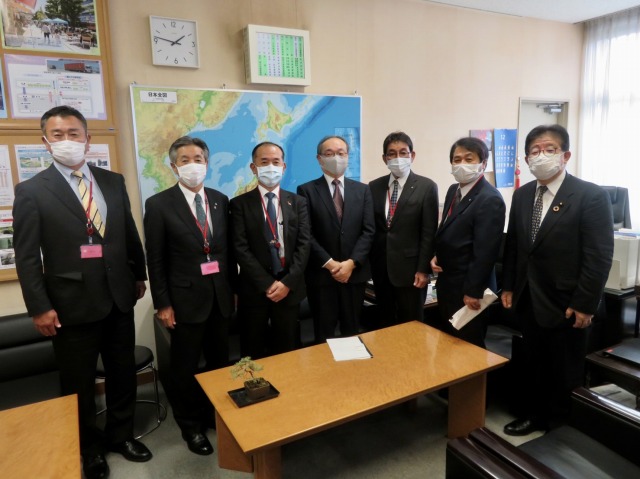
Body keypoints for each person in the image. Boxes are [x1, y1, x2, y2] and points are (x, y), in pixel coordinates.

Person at [13, 106, 151, 479]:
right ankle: (89, 450)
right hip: (70, 305)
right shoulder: (31, 191)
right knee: (79, 383)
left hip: (118, 297)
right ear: (45, 142)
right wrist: (39, 307)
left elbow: (128, 233)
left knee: (122, 373)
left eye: (74, 133)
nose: (67, 141)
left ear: (88, 139)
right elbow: (27, 257)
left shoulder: (112, 181)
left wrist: (139, 275)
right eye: (58, 135)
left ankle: (121, 436)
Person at [500, 124, 613, 435]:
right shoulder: (522, 195)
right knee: (534, 363)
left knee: (565, 369)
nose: (541, 156)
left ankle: (560, 431)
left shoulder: (590, 196)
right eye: (534, 151)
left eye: (549, 149)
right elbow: (514, 246)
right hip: (528, 296)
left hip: (567, 302)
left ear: (566, 155)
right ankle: (534, 416)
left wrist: (585, 304)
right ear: (526, 159)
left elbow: (598, 256)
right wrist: (508, 285)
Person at [144, 136, 235, 455]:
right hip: (184, 302)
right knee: (185, 368)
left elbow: (226, 252)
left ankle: (214, 414)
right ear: (173, 166)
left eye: (198, 158)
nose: (192, 164)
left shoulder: (220, 200)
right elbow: (155, 259)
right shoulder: (159, 204)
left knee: (219, 363)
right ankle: (191, 426)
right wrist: (163, 304)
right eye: (185, 160)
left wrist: (233, 291)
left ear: (207, 163)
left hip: (220, 297)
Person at [230, 142, 310, 358]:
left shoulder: (298, 202)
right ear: (253, 167)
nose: (271, 167)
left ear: (284, 167)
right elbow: (240, 248)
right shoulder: (239, 204)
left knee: (288, 350)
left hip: (289, 288)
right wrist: (267, 283)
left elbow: (304, 245)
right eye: (264, 162)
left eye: (276, 162)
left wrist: (287, 283)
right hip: (254, 290)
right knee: (252, 351)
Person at [297, 135, 375, 342]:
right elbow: (306, 234)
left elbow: (368, 231)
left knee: (353, 333)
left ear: (348, 156)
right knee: (324, 336)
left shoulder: (363, 190)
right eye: (329, 154)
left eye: (341, 153)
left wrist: (351, 263)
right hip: (322, 277)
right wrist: (331, 264)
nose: (336, 158)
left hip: (354, 275)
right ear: (319, 159)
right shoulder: (306, 191)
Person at [430, 137, 506, 347]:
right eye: (457, 159)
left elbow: (485, 252)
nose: (462, 164)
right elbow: (448, 230)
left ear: (483, 163)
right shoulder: (454, 190)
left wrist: (473, 292)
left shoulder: (489, 199)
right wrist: (437, 255)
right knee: (449, 342)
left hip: (470, 291)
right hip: (448, 284)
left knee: (469, 347)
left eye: (469, 159)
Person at [369, 131, 439, 326]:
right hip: (381, 270)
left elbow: (429, 233)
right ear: (384, 158)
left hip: (411, 272)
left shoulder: (427, 187)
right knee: (385, 324)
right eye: (391, 153)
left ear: (412, 155)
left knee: (412, 326)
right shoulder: (374, 187)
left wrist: (423, 270)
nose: (397, 158)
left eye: (403, 152)